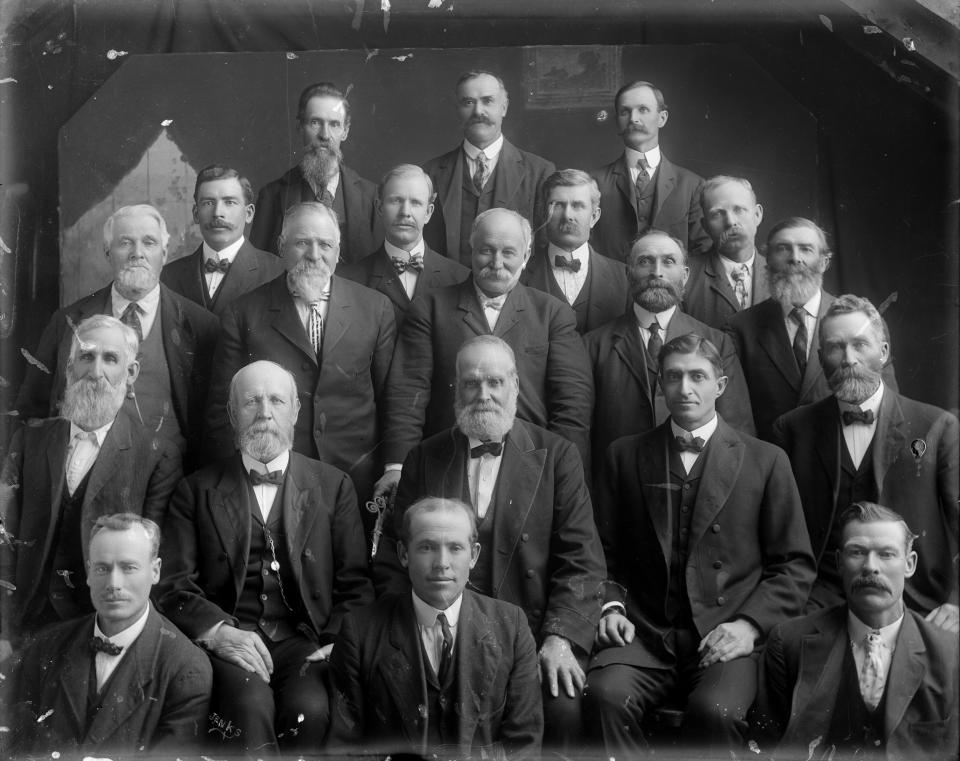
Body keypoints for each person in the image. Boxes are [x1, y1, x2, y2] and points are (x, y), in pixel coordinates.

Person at [585, 333, 815, 757]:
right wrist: (610, 607)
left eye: (697, 376)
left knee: (717, 711)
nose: (685, 388)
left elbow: (794, 565)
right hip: (644, 634)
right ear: (659, 384)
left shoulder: (766, 460)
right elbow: (600, 553)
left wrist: (748, 626)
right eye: (673, 376)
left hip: (724, 632)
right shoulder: (624, 455)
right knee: (603, 696)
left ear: (721, 385)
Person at [374, 336, 605, 753]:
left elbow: (582, 561)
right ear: (456, 389)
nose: (484, 395)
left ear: (516, 386)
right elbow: (396, 558)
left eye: (495, 382)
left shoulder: (557, 456)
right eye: (472, 383)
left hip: (531, 636)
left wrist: (560, 639)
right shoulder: (424, 458)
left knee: (563, 709)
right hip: (442, 635)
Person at [157, 360, 373, 755]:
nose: (264, 413)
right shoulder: (197, 490)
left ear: (295, 411)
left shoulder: (333, 486)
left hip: (304, 642)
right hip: (232, 638)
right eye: (251, 401)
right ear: (231, 413)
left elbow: (356, 583)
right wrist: (218, 632)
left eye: (276, 400)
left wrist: (336, 641)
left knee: (310, 711)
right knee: (248, 709)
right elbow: (173, 584)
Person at [376, 207, 593, 500]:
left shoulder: (552, 314)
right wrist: (397, 465)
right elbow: (407, 392)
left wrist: (564, 472)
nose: (497, 262)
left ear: (526, 256)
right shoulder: (430, 308)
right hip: (445, 464)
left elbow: (572, 404)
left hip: (529, 468)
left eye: (508, 252)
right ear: (470, 250)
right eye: (486, 250)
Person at [0, 315, 181, 660]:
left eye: (110, 359)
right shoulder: (30, 441)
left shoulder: (158, 456)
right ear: (69, 369)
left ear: (130, 374)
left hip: (99, 630)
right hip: (25, 624)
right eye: (86, 357)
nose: (95, 371)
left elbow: (150, 567)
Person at [771, 295, 957, 627]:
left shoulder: (936, 426)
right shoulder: (792, 430)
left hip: (913, 601)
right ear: (820, 358)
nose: (849, 359)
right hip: (819, 603)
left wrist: (955, 604)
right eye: (835, 348)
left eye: (860, 344)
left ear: (883, 352)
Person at [205, 201, 396, 512]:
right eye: (302, 243)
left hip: (357, 476)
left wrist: (392, 466)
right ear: (282, 247)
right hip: (273, 477)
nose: (314, 254)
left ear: (338, 251)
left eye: (325, 245)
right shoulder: (244, 312)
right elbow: (220, 410)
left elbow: (391, 398)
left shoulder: (375, 308)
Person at [329, 497, 543, 759]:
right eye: (427, 547)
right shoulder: (360, 631)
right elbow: (345, 747)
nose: (442, 562)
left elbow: (523, 745)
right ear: (404, 554)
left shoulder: (512, 627)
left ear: (473, 555)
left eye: (455, 548)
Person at [14, 204, 219, 470]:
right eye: (125, 243)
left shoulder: (201, 326)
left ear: (165, 253)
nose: (138, 254)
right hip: (85, 478)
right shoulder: (68, 322)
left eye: (149, 243)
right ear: (108, 253)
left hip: (172, 486)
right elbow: (33, 411)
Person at [751, 503, 959, 760]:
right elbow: (764, 747)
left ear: (910, 564)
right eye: (857, 552)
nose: (870, 566)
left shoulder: (950, 654)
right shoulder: (789, 642)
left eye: (886, 554)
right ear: (839, 562)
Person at [1, 514, 212, 757]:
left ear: (155, 571)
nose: (113, 583)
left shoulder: (186, 669)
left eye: (129, 567)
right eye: (102, 568)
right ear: (89, 573)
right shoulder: (46, 645)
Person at [585, 229, 754, 478]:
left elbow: (739, 431)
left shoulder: (717, 342)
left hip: (699, 482)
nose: (657, 272)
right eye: (645, 261)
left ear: (684, 275)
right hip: (622, 484)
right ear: (628, 273)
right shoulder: (593, 345)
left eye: (668, 261)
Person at [726, 218, 898, 441]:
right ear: (767, 260)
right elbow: (737, 415)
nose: (795, 258)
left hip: (843, 454)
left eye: (806, 249)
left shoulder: (864, 320)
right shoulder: (740, 328)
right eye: (783, 249)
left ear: (824, 262)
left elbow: (888, 402)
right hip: (772, 460)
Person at [422, 70, 555, 264]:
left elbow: (544, 249)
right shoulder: (431, 173)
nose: (478, 111)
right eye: (468, 102)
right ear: (458, 109)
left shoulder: (540, 172)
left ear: (504, 107)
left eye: (488, 101)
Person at [249, 82, 380, 262]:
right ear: (300, 127)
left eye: (334, 124)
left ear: (345, 131)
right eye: (315, 122)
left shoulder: (371, 196)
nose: (324, 135)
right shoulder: (272, 195)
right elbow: (260, 268)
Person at [590, 80, 710, 261]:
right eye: (625, 112)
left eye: (643, 110)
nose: (633, 119)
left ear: (662, 118)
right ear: (617, 122)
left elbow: (702, 255)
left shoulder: (693, 185)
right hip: (610, 287)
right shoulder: (594, 183)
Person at [338, 164, 469, 329]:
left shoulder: (460, 278)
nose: (405, 212)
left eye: (415, 203)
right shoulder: (350, 281)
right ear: (379, 207)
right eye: (396, 200)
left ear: (428, 212)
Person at [161, 163, 283, 315]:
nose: (218, 213)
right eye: (208, 203)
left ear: (249, 213)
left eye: (230, 202)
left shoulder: (277, 271)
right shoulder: (168, 276)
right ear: (196, 214)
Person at [520, 168, 629, 334]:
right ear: (544, 214)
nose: (568, 215)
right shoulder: (519, 275)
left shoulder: (625, 278)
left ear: (594, 216)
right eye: (558, 205)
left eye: (578, 206)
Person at [683, 175, 770, 329]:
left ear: (757, 215)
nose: (730, 221)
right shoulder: (685, 278)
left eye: (739, 210)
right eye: (717, 214)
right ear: (705, 226)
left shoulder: (779, 275)